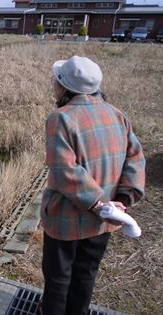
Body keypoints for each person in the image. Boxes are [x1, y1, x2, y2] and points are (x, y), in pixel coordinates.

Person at [40, 56, 145, 315]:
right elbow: (136, 158)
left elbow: (65, 170)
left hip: (66, 219)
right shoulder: (116, 115)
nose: (53, 84)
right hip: (104, 220)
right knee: (86, 274)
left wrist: (96, 203)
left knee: (58, 278)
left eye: (55, 81)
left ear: (64, 87)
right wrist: (123, 198)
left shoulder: (61, 118)